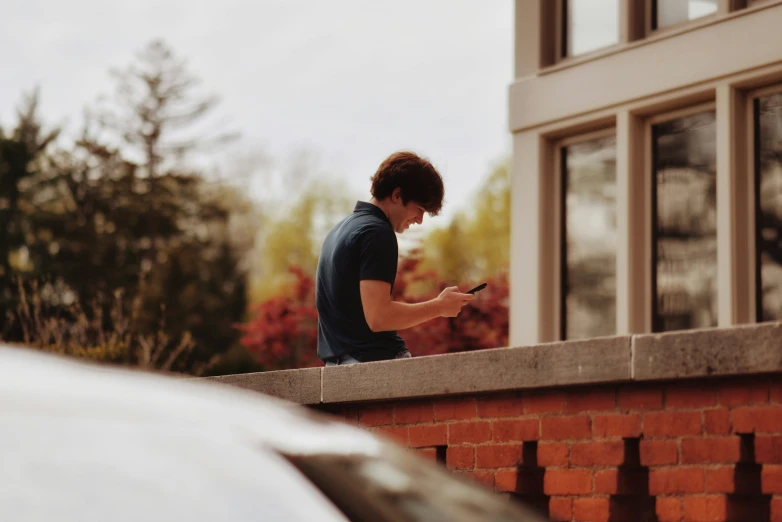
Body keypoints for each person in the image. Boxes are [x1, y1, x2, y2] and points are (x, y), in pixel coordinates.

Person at [315, 151, 474, 366]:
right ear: (397, 195)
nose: (419, 220)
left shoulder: (338, 231)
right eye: (419, 209)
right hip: (373, 368)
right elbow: (380, 317)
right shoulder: (377, 233)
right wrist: (439, 307)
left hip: (337, 369)